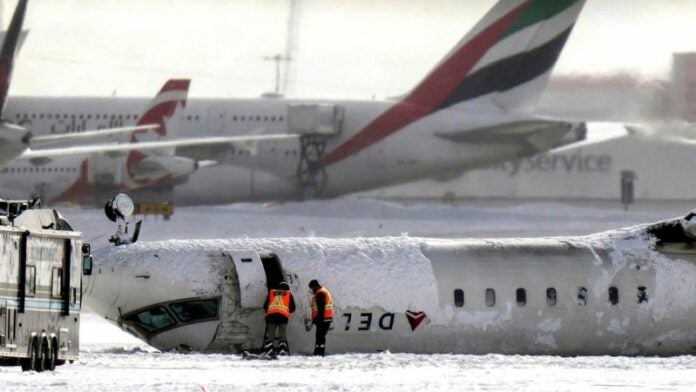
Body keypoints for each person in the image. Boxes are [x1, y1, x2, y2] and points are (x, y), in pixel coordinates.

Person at [262, 281, 296, 356]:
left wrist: (269, 311)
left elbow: (265, 306)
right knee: (282, 335)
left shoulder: (272, 293)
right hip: (283, 317)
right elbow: (293, 308)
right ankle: (282, 351)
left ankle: (269, 351)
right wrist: (287, 311)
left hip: (271, 317)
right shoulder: (288, 294)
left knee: (270, 335)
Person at [308, 279, 333, 356]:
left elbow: (321, 308)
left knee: (320, 336)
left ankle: (320, 352)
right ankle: (318, 352)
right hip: (325, 318)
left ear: (315, 286)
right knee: (320, 336)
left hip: (323, 319)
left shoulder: (320, 293)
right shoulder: (323, 291)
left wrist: (318, 319)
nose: (312, 290)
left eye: (312, 288)